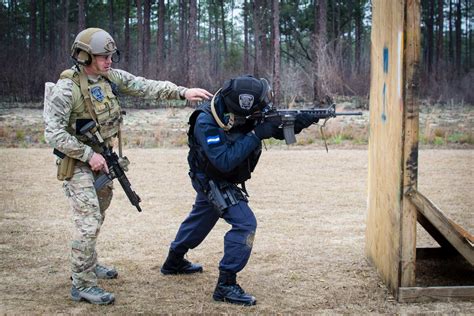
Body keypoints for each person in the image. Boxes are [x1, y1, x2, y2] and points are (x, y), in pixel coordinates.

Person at [43, 27, 212, 305]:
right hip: (78, 163)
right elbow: (53, 133)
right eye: (102, 56)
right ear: (84, 56)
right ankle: (82, 284)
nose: (109, 61)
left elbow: (144, 86)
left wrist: (183, 92)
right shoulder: (67, 89)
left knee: (98, 214)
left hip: (103, 161)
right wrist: (88, 155)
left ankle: (89, 264)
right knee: (88, 222)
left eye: (111, 55)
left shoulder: (109, 78)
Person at [160, 75, 316, 306]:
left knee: (202, 216)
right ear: (240, 104)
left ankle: (174, 262)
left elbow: (272, 127)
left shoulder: (250, 108)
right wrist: (256, 135)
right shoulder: (206, 120)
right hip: (209, 177)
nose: (263, 105)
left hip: (220, 176)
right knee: (245, 224)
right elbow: (223, 161)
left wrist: (299, 122)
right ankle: (226, 285)